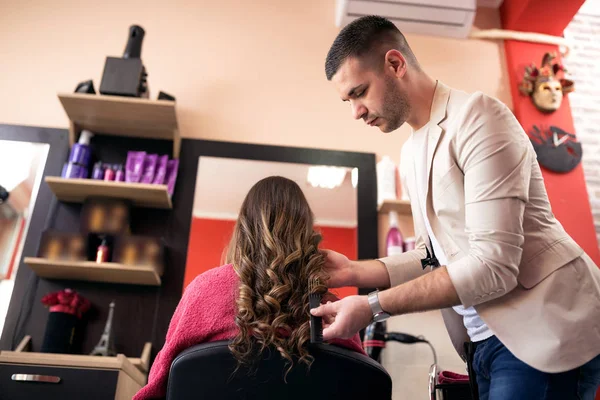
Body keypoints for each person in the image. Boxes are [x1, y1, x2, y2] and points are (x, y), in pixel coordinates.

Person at [310, 15, 600, 400]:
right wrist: (354, 271)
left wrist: (373, 306)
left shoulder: (479, 117)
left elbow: (493, 265)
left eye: (360, 92)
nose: (356, 112)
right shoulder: (413, 150)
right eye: (348, 101)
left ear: (396, 64)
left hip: (543, 330)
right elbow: (434, 256)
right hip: (481, 345)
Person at [134, 176, 365, 400]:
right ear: (305, 231)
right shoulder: (332, 311)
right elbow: (367, 384)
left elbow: (158, 385)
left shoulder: (205, 290)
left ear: (244, 228)